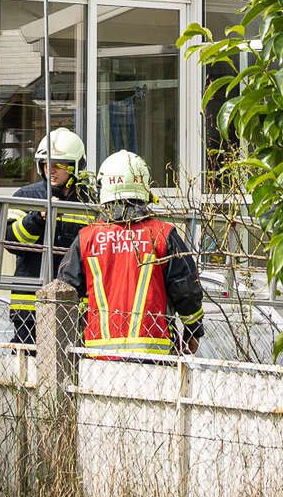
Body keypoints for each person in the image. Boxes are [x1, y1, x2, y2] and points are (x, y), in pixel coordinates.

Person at [53, 151, 203, 357]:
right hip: (155, 353)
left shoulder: (87, 238)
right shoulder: (163, 234)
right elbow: (186, 290)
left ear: (103, 188)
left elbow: (64, 291)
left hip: (99, 355)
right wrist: (193, 330)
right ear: (144, 187)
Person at [6, 127, 96, 345]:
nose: (51, 170)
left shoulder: (92, 202)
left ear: (75, 166)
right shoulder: (26, 196)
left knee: (75, 358)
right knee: (26, 359)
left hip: (77, 304)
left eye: (58, 164)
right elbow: (10, 241)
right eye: (46, 164)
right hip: (30, 305)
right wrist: (37, 218)